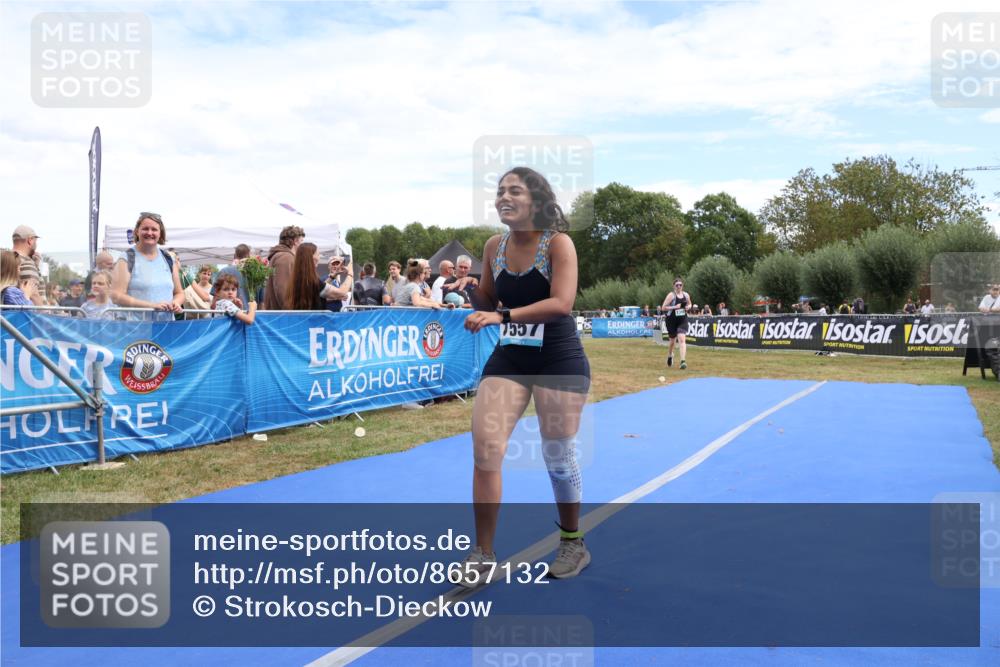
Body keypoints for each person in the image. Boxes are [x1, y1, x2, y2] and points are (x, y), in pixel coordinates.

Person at [458, 167, 591, 586]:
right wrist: (469, 290)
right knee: (486, 448)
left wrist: (499, 315)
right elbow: (490, 298)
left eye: (514, 190)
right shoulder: (493, 246)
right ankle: (483, 553)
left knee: (557, 454)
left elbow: (561, 303)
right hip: (511, 360)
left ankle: (572, 541)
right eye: (499, 191)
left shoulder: (558, 244)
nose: (503, 197)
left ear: (535, 200)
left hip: (558, 358)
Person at [111, 213, 184, 321]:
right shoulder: (127, 258)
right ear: (137, 231)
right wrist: (151, 306)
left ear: (160, 233)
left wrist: (176, 303)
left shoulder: (168, 259)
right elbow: (116, 296)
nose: (150, 233)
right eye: (145, 229)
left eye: (154, 229)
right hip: (135, 329)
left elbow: (179, 293)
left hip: (164, 328)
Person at [264, 225, 305, 310]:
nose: (302, 245)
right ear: (295, 241)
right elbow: (282, 289)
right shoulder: (285, 257)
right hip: (283, 316)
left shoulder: (282, 256)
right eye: (301, 241)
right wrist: (290, 312)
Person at [661, 278, 691, 369]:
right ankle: (670, 355)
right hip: (671, 320)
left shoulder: (686, 295)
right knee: (672, 342)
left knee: (682, 339)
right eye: (677, 285)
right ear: (674, 286)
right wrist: (675, 307)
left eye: (680, 285)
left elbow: (690, 304)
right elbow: (663, 308)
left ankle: (683, 361)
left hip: (682, 320)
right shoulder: (671, 295)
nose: (679, 287)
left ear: (682, 286)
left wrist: (688, 307)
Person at [287, 242, 326, 310]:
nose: (319, 257)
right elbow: (342, 293)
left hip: (300, 318)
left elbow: (320, 287)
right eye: (318, 254)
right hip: (313, 319)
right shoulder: (312, 280)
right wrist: (350, 273)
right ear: (311, 257)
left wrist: (332, 277)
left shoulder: (296, 278)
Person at [11, 225, 43, 305]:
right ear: (30, 240)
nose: (36, 244)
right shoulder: (27, 263)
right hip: (31, 315)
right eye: (35, 241)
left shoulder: (8, 259)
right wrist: (45, 314)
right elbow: (34, 295)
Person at [214, 244, 252, 308]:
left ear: (234, 256)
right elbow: (262, 303)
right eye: (226, 289)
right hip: (252, 315)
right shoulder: (258, 273)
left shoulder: (224, 271)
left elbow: (215, 299)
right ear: (249, 256)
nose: (230, 292)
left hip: (227, 316)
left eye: (233, 289)